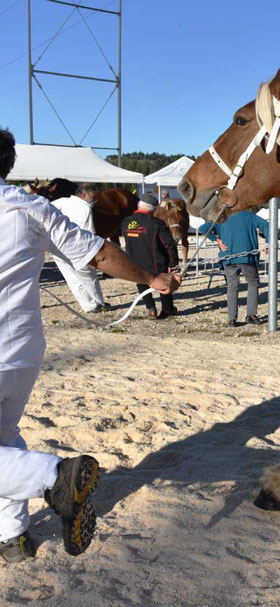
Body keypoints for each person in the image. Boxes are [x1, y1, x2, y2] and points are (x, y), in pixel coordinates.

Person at [0, 127, 181, 563]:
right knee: (3, 435)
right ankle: (12, 535)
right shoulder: (28, 207)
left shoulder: (32, 205)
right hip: (21, 349)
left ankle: (56, 478)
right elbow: (98, 254)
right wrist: (152, 278)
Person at [199, 210, 269, 327]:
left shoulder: (221, 216)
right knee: (253, 283)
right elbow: (266, 225)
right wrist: (268, 243)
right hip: (247, 258)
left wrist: (217, 240)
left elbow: (203, 228)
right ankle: (251, 315)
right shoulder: (249, 215)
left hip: (228, 257)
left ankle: (232, 318)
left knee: (232, 286)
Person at [51, 183, 110, 313]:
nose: (95, 200)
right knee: (89, 276)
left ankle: (88, 306)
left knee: (72, 278)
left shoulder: (61, 201)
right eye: (93, 197)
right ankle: (99, 302)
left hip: (57, 246)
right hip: (77, 248)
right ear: (84, 195)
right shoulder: (85, 209)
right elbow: (88, 234)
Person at [121, 193, 180, 319]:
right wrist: (173, 263)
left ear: (138, 205)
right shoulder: (157, 223)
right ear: (154, 209)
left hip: (134, 261)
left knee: (141, 283)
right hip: (156, 261)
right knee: (163, 283)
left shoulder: (125, 222)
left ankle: (151, 310)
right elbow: (169, 244)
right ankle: (167, 310)